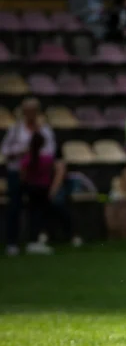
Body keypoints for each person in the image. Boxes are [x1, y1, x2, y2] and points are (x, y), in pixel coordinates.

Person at [2, 98, 56, 255]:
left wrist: (36, 156)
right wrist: (21, 152)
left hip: (37, 174)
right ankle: (12, 243)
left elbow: (50, 150)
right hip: (17, 173)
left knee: (37, 207)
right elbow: (5, 150)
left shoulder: (45, 130)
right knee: (15, 207)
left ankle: (34, 241)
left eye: (34, 111)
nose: (31, 114)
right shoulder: (16, 129)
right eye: (28, 111)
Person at [20, 132, 78, 254]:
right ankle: (37, 241)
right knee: (40, 215)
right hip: (42, 189)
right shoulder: (47, 159)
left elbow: (23, 175)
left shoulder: (27, 159)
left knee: (35, 216)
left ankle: (36, 240)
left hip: (31, 189)